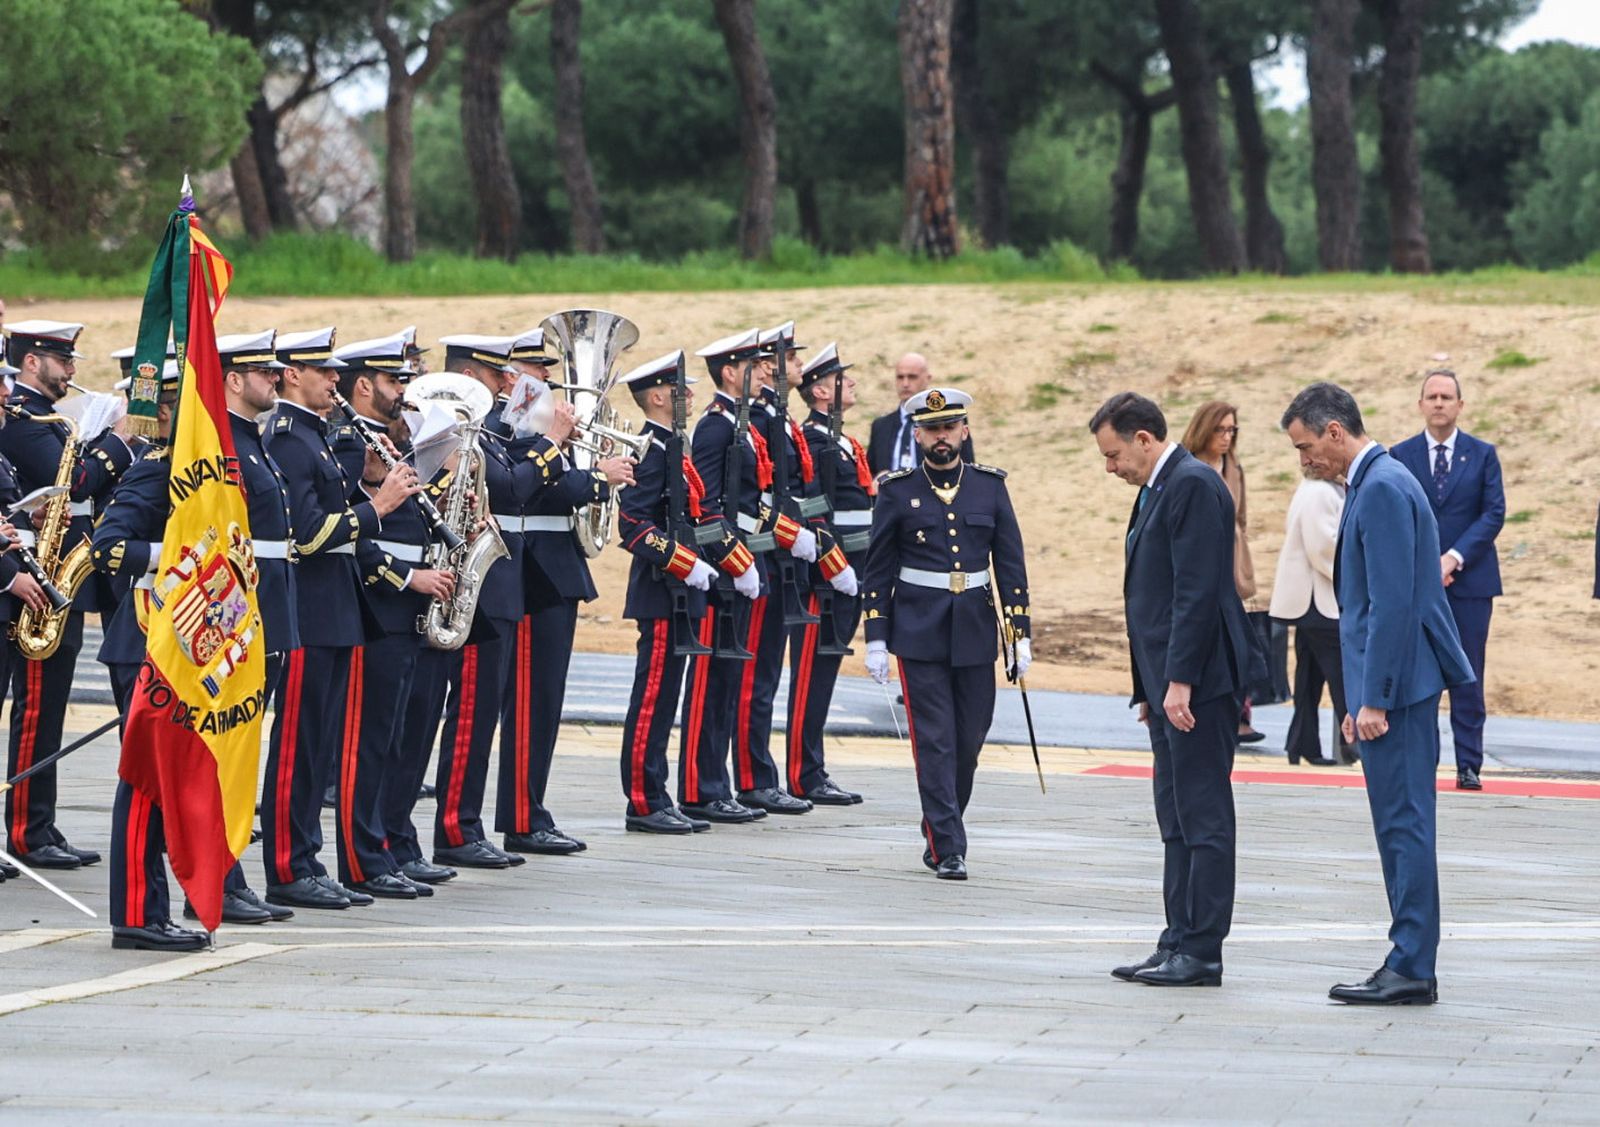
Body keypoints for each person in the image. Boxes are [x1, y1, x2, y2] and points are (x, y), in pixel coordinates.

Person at [1281, 381, 1473, 1006]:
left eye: (1306, 447)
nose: (1304, 460)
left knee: (1404, 826)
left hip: (1401, 689)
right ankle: (1408, 957)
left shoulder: (1383, 488)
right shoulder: (1376, 482)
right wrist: (1361, 695)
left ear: (1335, 432)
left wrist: (1374, 700)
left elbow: (1390, 607)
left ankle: (1412, 963)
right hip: (1394, 684)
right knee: (1400, 824)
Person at [1091, 392, 1252, 988]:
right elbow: (1150, 599)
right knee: (1175, 815)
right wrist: (1149, 687)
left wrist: (1179, 681)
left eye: (1113, 456)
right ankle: (1176, 936)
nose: (1111, 468)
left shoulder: (1191, 486)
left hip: (1199, 683)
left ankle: (1203, 949)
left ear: (1143, 439)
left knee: (1203, 814)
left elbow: (1195, 594)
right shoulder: (1158, 488)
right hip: (1169, 685)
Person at [262, 327, 418, 910]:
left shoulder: (317, 438)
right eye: (322, 370)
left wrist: (373, 491)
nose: (335, 379)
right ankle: (287, 864)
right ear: (292, 375)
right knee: (299, 744)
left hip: (333, 608)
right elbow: (306, 536)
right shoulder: (289, 439)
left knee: (319, 742)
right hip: (306, 608)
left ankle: (306, 857)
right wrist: (377, 507)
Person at [860, 387, 1029, 882]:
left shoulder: (990, 487)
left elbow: (1011, 565)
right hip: (918, 630)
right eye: (932, 429)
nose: (941, 437)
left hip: (976, 628)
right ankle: (949, 844)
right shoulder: (896, 490)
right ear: (917, 435)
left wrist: (1020, 634)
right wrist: (875, 637)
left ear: (964, 432)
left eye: (949, 428)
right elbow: (878, 569)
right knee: (934, 742)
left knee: (968, 742)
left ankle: (940, 822)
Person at [493, 327, 635, 856]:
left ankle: (531, 808)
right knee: (532, 701)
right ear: (511, 376)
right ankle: (523, 815)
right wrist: (599, 476)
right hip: (535, 570)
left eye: (549, 368)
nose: (549, 378)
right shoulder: (512, 422)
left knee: (545, 701)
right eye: (537, 369)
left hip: (557, 568)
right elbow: (539, 486)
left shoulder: (544, 420)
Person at [0, 320, 136, 870]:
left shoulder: (49, 420)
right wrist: (117, 439)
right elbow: (77, 482)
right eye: (63, 361)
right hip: (35, 579)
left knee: (51, 708)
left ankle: (41, 824)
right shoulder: (23, 423)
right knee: (36, 710)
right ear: (33, 361)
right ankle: (26, 829)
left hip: (62, 576)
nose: (73, 372)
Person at [326, 332, 457, 900]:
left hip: (409, 607)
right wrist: (406, 578)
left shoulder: (388, 437)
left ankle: (385, 847)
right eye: (393, 381)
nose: (405, 391)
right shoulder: (347, 442)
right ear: (364, 386)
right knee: (367, 740)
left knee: (397, 737)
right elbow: (347, 533)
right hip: (375, 604)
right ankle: (363, 858)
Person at [616, 350, 753, 832]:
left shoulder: (677, 444)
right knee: (653, 697)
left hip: (683, 588)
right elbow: (632, 525)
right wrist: (683, 562)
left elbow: (698, 512)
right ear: (657, 397)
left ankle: (658, 793)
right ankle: (643, 799)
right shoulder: (650, 449)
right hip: (660, 590)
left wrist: (727, 563)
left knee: (667, 698)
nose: (690, 396)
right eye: (680, 390)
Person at [678, 329, 799, 823]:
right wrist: (734, 560)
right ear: (729, 372)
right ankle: (699, 787)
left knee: (731, 679)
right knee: (712, 681)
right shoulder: (715, 427)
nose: (766, 371)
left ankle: (717, 783)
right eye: (753, 365)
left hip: (749, 560)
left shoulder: (742, 425)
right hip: (729, 568)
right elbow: (704, 508)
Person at [1390, 370, 1505, 791]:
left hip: (1471, 586)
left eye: (1447, 396)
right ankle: (1422, 763)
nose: (1439, 403)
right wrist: (1426, 565)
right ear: (1420, 404)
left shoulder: (1482, 454)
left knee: (1468, 674)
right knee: (1419, 675)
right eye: (1432, 396)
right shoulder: (1400, 456)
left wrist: (1452, 559)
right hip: (1418, 587)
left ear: (1460, 405)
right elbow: (1395, 515)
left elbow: (1493, 513)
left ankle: (1469, 763)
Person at [786, 343, 870, 805]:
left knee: (826, 671)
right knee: (811, 675)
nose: (852, 384)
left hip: (853, 570)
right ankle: (803, 772)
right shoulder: (815, 440)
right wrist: (832, 565)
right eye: (842, 379)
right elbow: (816, 510)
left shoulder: (841, 439)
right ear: (819, 390)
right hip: (827, 574)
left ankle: (812, 768)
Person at [1181, 402, 1264, 745]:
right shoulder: (1188, 467)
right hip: (1199, 565)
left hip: (1231, 565)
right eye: (1221, 429)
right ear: (1204, 429)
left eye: (1233, 430)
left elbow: (1240, 517)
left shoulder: (1234, 467)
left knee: (1237, 642)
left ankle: (1240, 715)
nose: (1227, 437)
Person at [1268, 474, 1353, 767]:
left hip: (1309, 601)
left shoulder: (1315, 488)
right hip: (1319, 600)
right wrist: (1355, 580)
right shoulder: (1320, 492)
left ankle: (1302, 743)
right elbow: (1324, 548)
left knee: (1309, 677)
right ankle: (1353, 742)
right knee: (1342, 675)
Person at [865, 353, 972, 475]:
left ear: (928, 378)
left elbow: (966, 464)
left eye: (912, 377)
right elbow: (869, 470)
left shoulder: (948, 421)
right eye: (900, 377)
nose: (905, 384)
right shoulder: (881, 425)